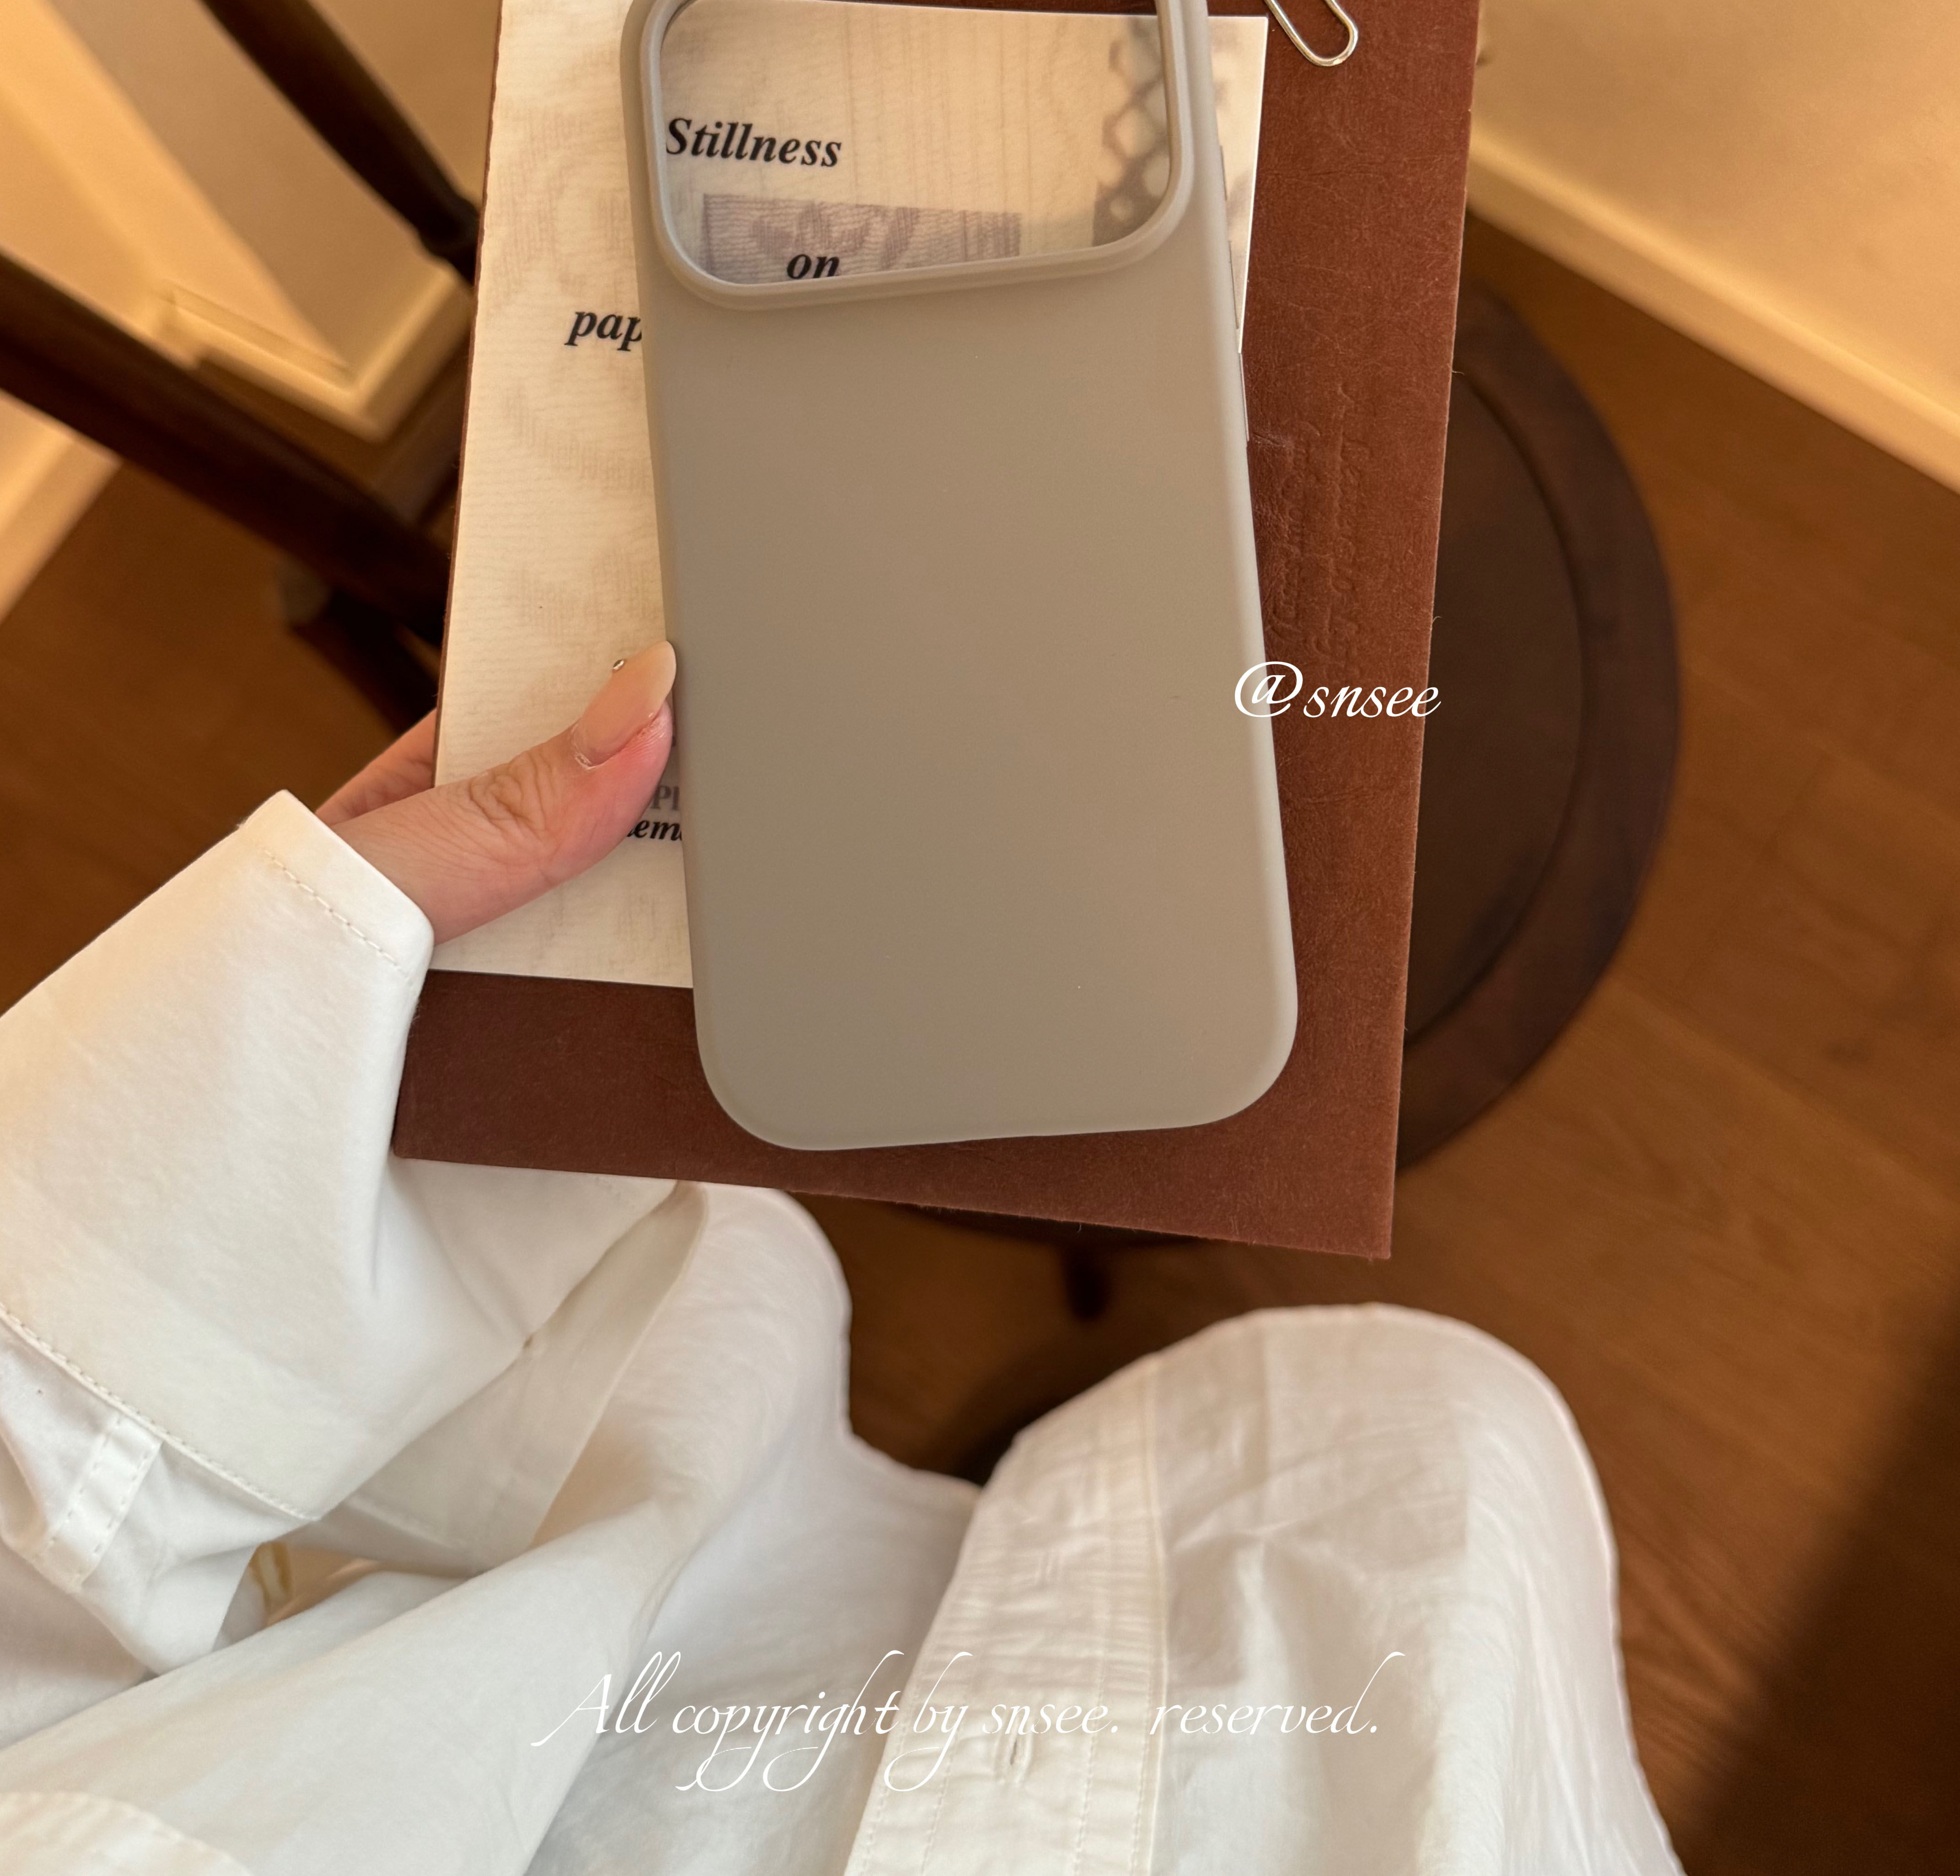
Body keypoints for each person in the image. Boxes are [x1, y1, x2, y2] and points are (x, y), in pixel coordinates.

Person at [0, 646, 1680, 1874]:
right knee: (1442, 1454)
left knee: (1418, 1453)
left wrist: (303, 1029)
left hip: (649, 1542)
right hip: (758, 1591)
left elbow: (49, 1516)